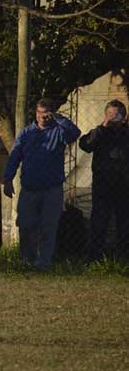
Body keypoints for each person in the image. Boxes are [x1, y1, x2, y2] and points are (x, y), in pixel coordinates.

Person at [3, 97, 80, 270]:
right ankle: (26, 259)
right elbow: (14, 156)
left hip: (52, 189)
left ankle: (43, 262)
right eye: (40, 113)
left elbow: (75, 133)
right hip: (29, 189)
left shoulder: (59, 132)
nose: (43, 117)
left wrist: (59, 119)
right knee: (25, 225)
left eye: (47, 114)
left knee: (48, 226)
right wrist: (7, 179)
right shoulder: (26, 133)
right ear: (35, 114)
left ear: (51, 114)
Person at [78, 100, 129, 262]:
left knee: (124, 225)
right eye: (110, 115)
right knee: (98, 224)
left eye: (118, 115)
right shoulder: (100, 133)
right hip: (103, 188)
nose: (114, 119)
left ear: (124, 117)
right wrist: (102, 127)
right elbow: (85, 145)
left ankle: (122, 259)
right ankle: (93, 259)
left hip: (124, 188)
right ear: (105, 116)